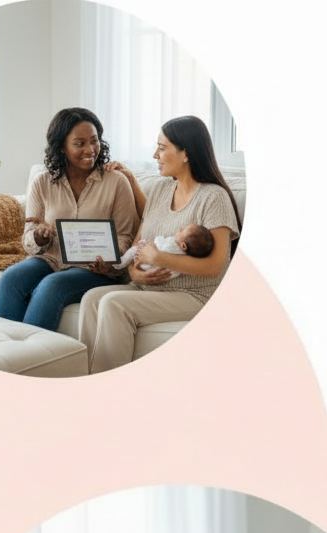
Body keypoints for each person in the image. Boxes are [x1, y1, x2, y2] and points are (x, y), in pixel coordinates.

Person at [78, 115, 241, 373]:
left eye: (162, 148)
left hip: (195, 295)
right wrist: (134, 273)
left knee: (114, 303)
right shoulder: (160, 190)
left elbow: (214, 267)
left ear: (185, 153)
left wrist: (159, 258)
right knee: (92, 299)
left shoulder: (214, 197)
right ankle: (86, 375)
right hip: (147, 288)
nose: (155, 155)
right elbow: (137, 245)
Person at [0, 108, 137, 332]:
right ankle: (6, 345)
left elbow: (125, 236)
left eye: (94, 141)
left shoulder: (116, 182)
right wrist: (39, 237)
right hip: (50, 259)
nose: (90, 150)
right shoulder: (42, 182)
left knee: (52, 285)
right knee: (10, 278)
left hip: (95, 270)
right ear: (62, 147)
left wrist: (109, 259)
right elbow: (28, 237)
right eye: (80, 144)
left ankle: (33, 351)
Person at [114, 223, 215, 276]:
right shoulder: (184, 259)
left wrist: (151, 240)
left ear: (183, 246)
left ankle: (119, 264)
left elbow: (160, 244)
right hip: (154, 270)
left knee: (133, 250)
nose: (180, 228)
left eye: (183, 230)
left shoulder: (172, 244)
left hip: (147, 262)